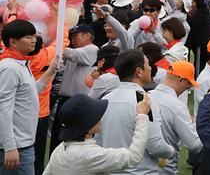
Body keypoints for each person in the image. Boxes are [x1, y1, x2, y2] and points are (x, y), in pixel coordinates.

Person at [99, 50, 176, 173]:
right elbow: (155, 146)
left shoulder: (106, 99)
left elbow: (98, 139)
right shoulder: (144, 101)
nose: (151, 68)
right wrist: (171, 151)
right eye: (148, 65)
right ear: (139, 71)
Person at [43, 93, 151, 174]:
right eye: (94, 116)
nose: (100, 116)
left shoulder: (61, 148)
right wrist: (142, 116)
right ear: (87, 129)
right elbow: (133, 158)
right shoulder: (88, 155)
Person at [148, 61, 204, 174]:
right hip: (165, 169)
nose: (188, 88)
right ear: (181, 80)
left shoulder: (147, 96)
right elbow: (194, 145)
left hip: (143, 167)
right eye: (189, 84)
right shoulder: (177, 106)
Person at [51, 23, 99, 153]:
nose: (72, 39)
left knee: (69, 139)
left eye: (75, 36)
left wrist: (54, 43)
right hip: (65, 100)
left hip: (78, 102)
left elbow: (72, 54)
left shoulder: (92, 49)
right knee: (57, 137)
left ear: (88, 36)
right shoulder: (75, 51)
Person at [0, 19, 40, 174]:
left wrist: (50, 73)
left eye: (34, 36)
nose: (34, 40)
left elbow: (27, 95)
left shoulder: (21, 62)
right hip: (16, 147)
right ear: (13, 42)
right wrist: (10, 147)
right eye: (29, 37)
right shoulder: (9, 67)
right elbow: (3, 109)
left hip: (21, 144)